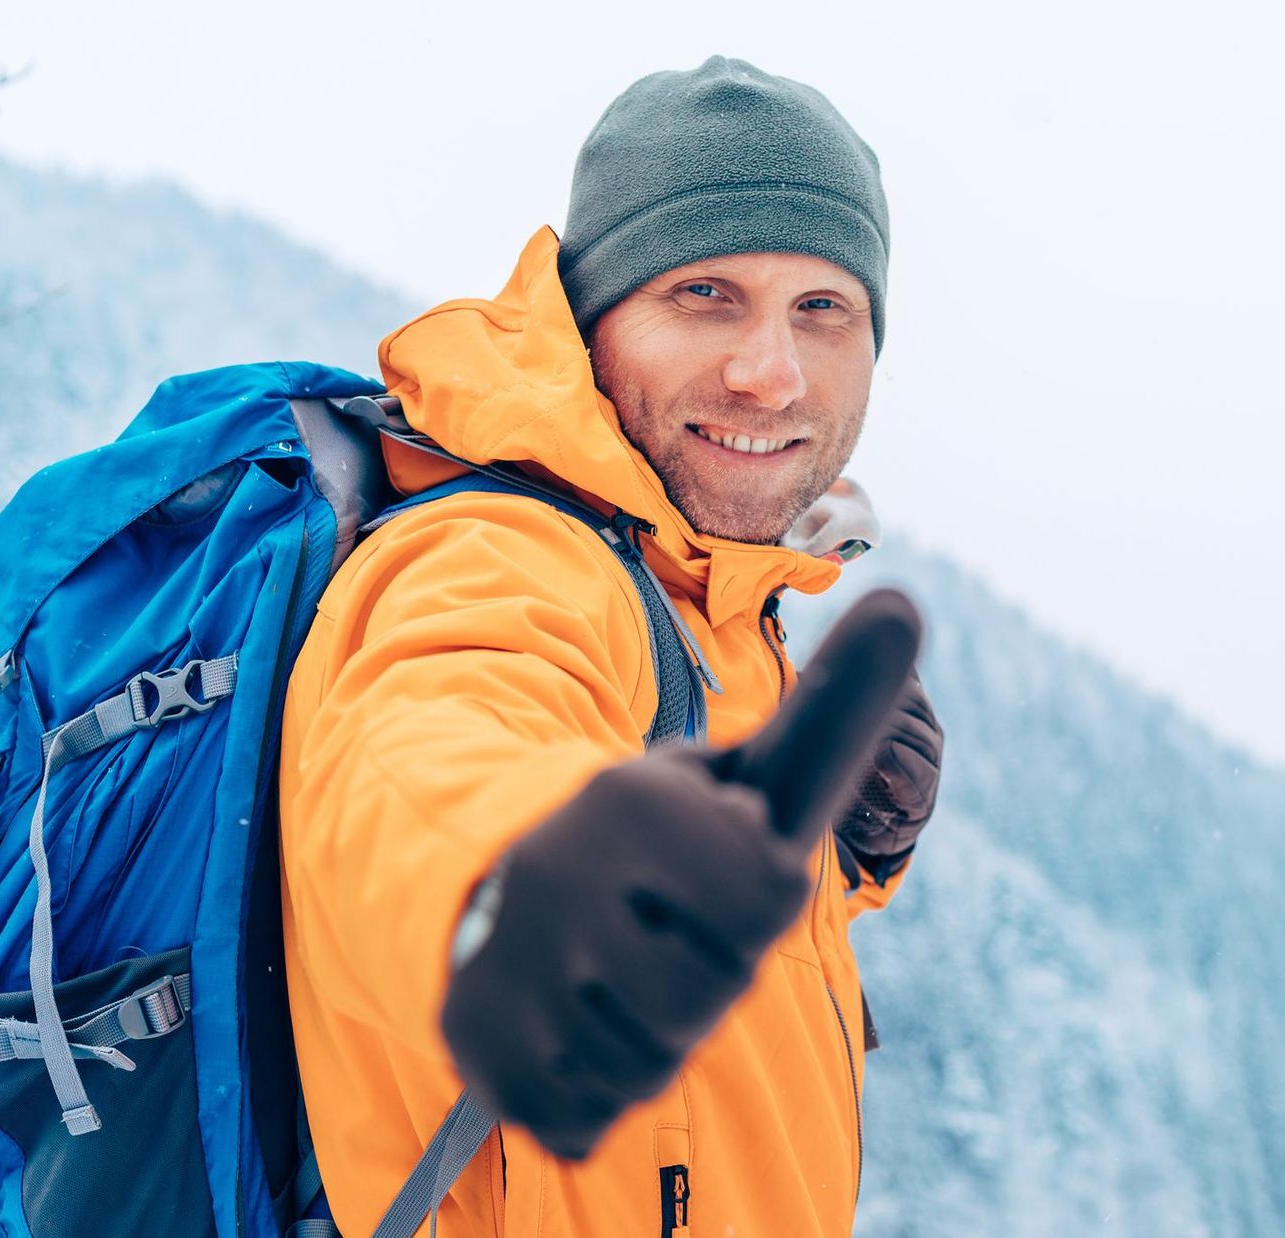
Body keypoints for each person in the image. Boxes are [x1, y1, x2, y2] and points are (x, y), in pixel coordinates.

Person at [279, 55, 944, 1236]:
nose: (769, 372)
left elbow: (693, 958)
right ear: (592, 326)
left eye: (821, 309)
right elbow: (427, 747)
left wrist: (840, 869)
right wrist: (514, 889)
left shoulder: (708, 603)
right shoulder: (500, 554)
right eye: (702, 294)